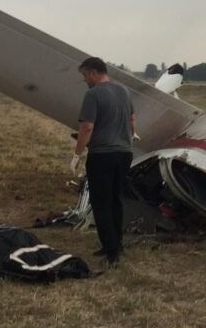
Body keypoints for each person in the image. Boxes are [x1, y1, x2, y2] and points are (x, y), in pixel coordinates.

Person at [71, 57, 135, 265]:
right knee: (116, 200)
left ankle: (111, 251)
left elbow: (87, 127)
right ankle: (117, 244)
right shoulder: (123, 91)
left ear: (92, 73)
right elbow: (132, 121)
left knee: (101, 203)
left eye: (84, 75)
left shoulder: (93, 94)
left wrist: (77, 154)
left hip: (102, 155)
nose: (84, 80)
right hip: (124, 153)